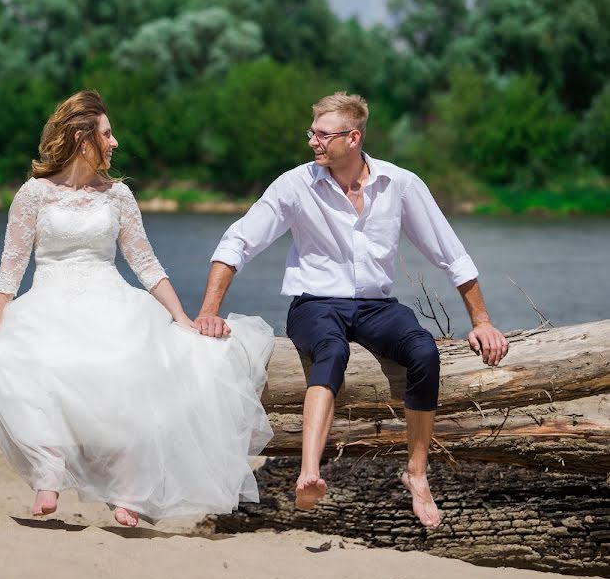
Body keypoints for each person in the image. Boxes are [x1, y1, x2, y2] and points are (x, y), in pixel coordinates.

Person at [0, 91, 274, 527]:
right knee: (16, 359)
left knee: (132, 366)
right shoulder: (33, 194)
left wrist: (181, 319)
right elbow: (12, 264)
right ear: (82, 137)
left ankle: (128, 492)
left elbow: (145, 262)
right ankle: (48, 475)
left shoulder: (118, 195)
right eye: (107, 133)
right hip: (49, 299)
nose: (115, 142)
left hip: (112, 299)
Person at [193, 92, 509, 528]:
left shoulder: (399, 184)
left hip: (377, 306)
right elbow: (238, 242)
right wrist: (210, 311)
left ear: (353, 137)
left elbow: (450, 254)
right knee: (331, 351)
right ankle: (309, 473)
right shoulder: (295, 184)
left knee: (424, 352)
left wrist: (483, 321)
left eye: (323, 135)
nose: (313, 143)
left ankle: (416, 474)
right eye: (313, 133)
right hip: (314, 304)